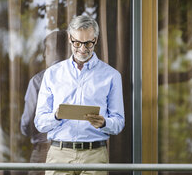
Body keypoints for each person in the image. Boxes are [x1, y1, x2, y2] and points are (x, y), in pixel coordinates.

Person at [34, 15, 125, 175]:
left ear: (95, 40)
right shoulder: (52, 74)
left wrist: (104, 123)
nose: (82, 49)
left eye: (88, 43)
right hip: (59, 154)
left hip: (95, 155)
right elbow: (40, 122)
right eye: (77, 43)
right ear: (70, 38)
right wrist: (56, 116)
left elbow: (118, 123)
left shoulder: (111, 75)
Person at [21, 30, 67, 175]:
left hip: (43, 152)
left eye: (45, 49)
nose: (43, 55)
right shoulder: (82, 80)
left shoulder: (38, 81)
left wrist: (25, 131)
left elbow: (27, 122)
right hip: (73, 153)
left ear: (51, 50)